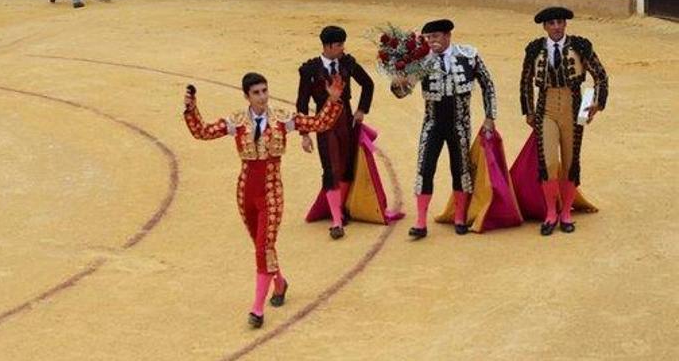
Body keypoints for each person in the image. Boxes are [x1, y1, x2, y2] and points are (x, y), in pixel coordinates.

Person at [184, 73, 345, 328]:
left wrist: (333, 100)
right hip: (245, 191)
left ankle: (257, 310)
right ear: (246, 96)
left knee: (263, 247)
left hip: (271, 191)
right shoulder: (236, 121)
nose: (262, 97)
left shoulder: (283, 119)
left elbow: (320, 123)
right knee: (262, 245)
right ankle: (279, 282)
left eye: (264, 91)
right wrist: (192, 110)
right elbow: (202, 132)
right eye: (257, 93)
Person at [391, 19, 497, 238]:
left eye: (436, 36)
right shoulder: (421, 62)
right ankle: (420, 223)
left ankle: (459, 218)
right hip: (432, 124)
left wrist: (490, 116)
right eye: (428, 37)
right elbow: (402, 93)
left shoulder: (468, 55)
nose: (432, 41)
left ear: (448, 36)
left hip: (460, 125)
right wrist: (398, 81)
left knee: (460, 170)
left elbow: (487, 84)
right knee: (425, 168)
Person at [520, 7, 608, 236]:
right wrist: (529, 111)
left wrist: (597, 104)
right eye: (552, 23)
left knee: (570, 162)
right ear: (545, 27)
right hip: (545, 109)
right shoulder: (534, 49)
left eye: (560, 22)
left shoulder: (581, 46)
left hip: (573, 107)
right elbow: (525, 82)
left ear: (565, 24)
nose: (557, 27)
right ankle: (551, 213)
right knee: (548, 163)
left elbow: (601, 75)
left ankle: (566, 213)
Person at [297, 26, 374, 239]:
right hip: (324, 123)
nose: (342, 48)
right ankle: (337, 220)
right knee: (331, 167)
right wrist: (304, 133)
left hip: (346, 119)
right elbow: (302, 102)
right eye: (339, 44)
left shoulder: (347, 63)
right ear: (328, 46)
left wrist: (361, 110)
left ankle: (341, 208)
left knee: (347, 165)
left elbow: (368, 84)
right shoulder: (310, 70)